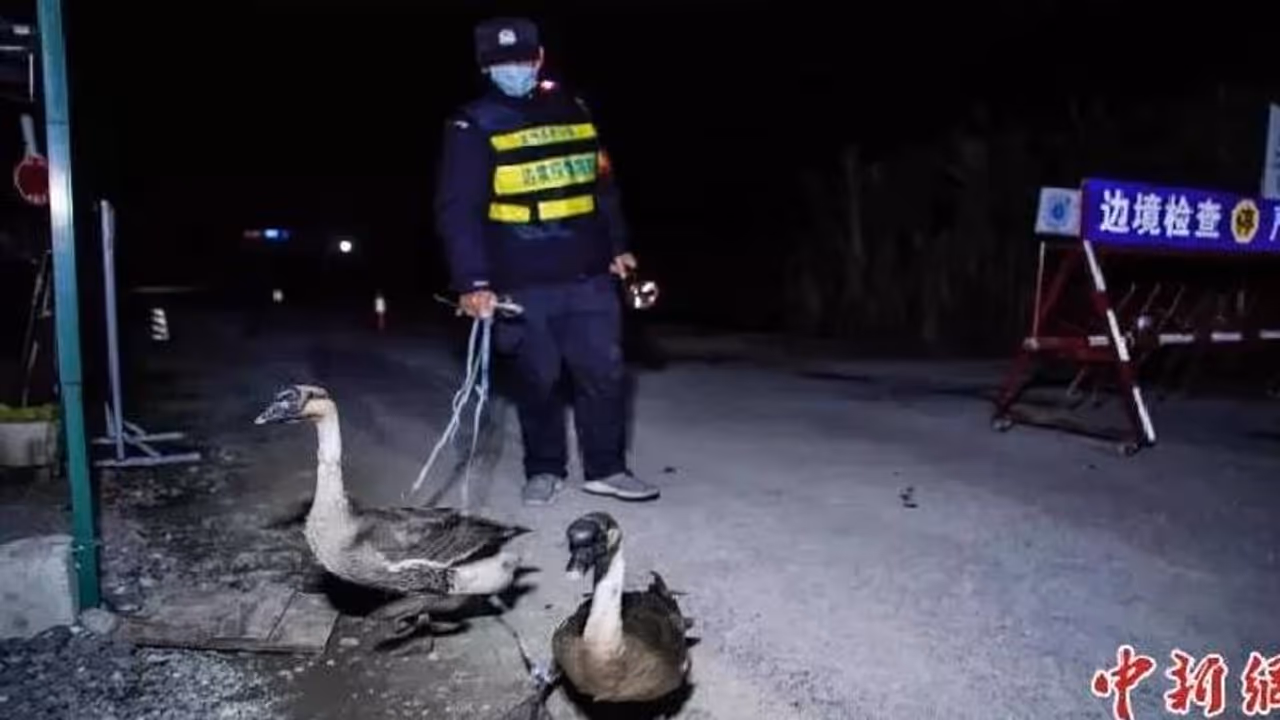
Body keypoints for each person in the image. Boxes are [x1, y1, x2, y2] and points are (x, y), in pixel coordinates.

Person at [433, 16, 660, 505]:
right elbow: (459, 211)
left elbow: (602, 186)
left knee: (604, 371)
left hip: (589, 272)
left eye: (520, 59)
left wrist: (618, 245)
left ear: (538, 59)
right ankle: (543, 468)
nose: (513, 68)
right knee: (538, 379)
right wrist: (473, 280)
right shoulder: (471, 124)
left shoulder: (576, 110)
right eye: (500, 62)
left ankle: (607, 468)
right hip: (519, 278)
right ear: (484, 67)